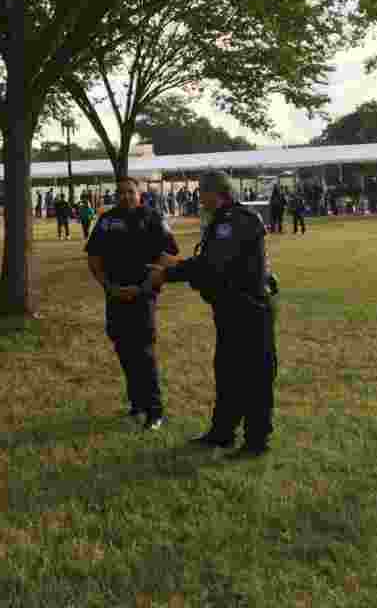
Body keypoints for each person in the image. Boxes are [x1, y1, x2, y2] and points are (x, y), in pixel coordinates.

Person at [148, 170, 278, 458]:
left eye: (201, 192)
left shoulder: (234, 221)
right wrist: (180, 267)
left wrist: (168, 274)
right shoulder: (222, 221)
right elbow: (209, 264)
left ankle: (256, 441)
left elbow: (212, 266)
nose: (199, 198)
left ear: (214, 192)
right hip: (232, 311)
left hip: (249, 311)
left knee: (254, 378)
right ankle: (222, 433)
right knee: (229, 373)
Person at [86, 177, 179, 431]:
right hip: (114, 295)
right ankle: (137, 403)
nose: (125, 196)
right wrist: (109, 286)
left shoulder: (152, 218)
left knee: (144, 353)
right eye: (121, 192)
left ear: (139, 195)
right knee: (123, 348)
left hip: (142, 296)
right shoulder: (106, 220)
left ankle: (155, 411)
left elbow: (168, 255)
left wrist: (143, 287)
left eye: (130, 192)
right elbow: (93, 257)